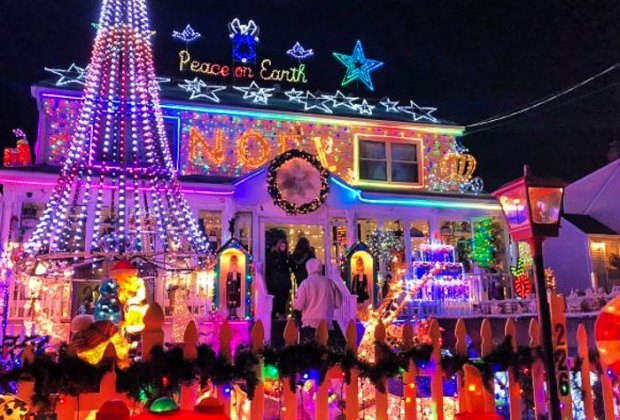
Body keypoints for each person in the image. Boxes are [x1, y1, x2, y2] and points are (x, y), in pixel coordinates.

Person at [294, 258, 342, 343]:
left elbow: (298, 305)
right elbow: (338, 303)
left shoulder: (305, 283)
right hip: (327, 323)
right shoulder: (330, 283)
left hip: (309, 323)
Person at [266, 238, 292, 318]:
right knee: (277, 300)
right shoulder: (274, 256)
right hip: (275, 282)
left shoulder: (287, 256)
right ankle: (276, 315)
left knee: (283, 299)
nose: (283, 248)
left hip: (283, 282)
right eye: (282, 246)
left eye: (284, 246)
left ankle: (281, 314)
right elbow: (270, 267)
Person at [226, 254, 242, 319]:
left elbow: (239, 283)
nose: (234, 262)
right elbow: (228, 282)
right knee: (230, 301)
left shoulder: (238, 274)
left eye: (235, 261)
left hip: (236, 291)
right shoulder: (229, 274)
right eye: (232, 261)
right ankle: (230, 313)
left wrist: (238, 289)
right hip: (230, 290)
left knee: (236, 300)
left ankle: (235, 313)